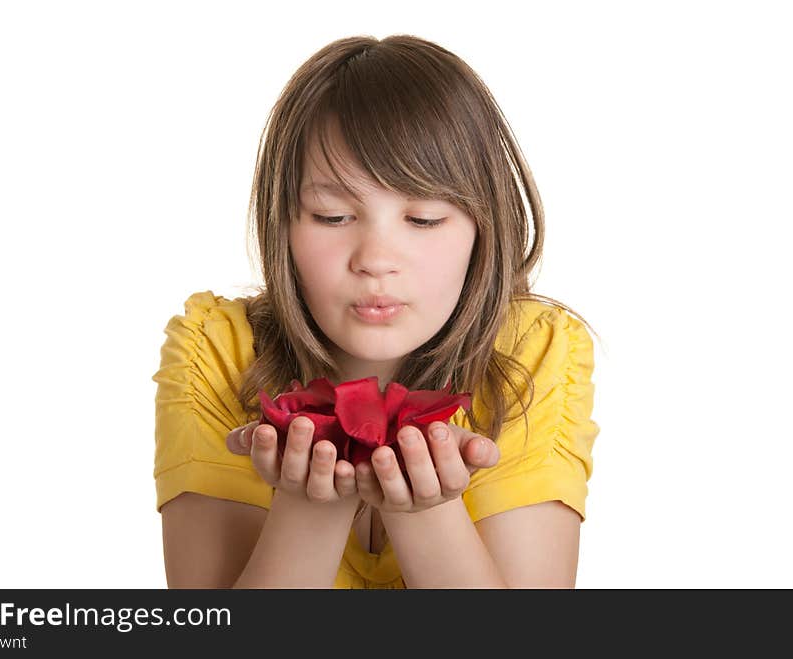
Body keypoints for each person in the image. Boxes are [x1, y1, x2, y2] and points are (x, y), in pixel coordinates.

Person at [153, 34, 601, 589]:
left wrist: (426, 512)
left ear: (483, 229)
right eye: (332, 216)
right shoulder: (216, 350)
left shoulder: (536, 351)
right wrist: (309, 504)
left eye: (425, 219)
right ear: (281, 225)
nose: (376, 261)